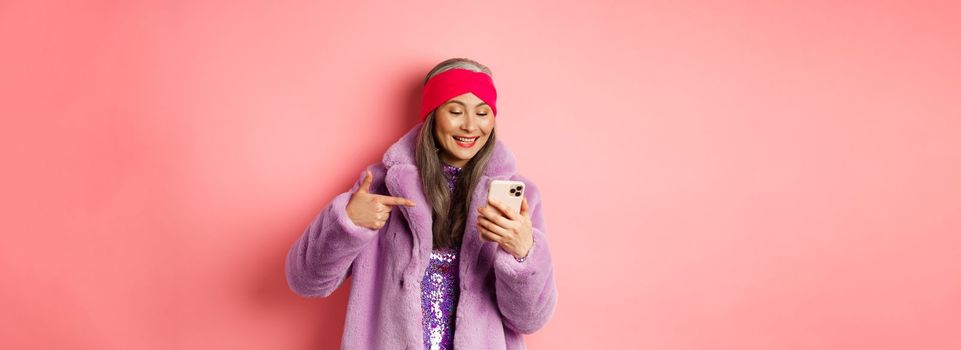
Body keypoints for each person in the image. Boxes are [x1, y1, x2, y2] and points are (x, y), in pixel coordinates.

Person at [285, 58, 557, 349]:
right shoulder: (380, 186)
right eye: (455, 111)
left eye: (482, 112)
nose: (470, 125)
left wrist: (522, 255)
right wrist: (348, 223)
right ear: (433, 115)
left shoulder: (521, 199)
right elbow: (306, 280)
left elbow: (530, 320)